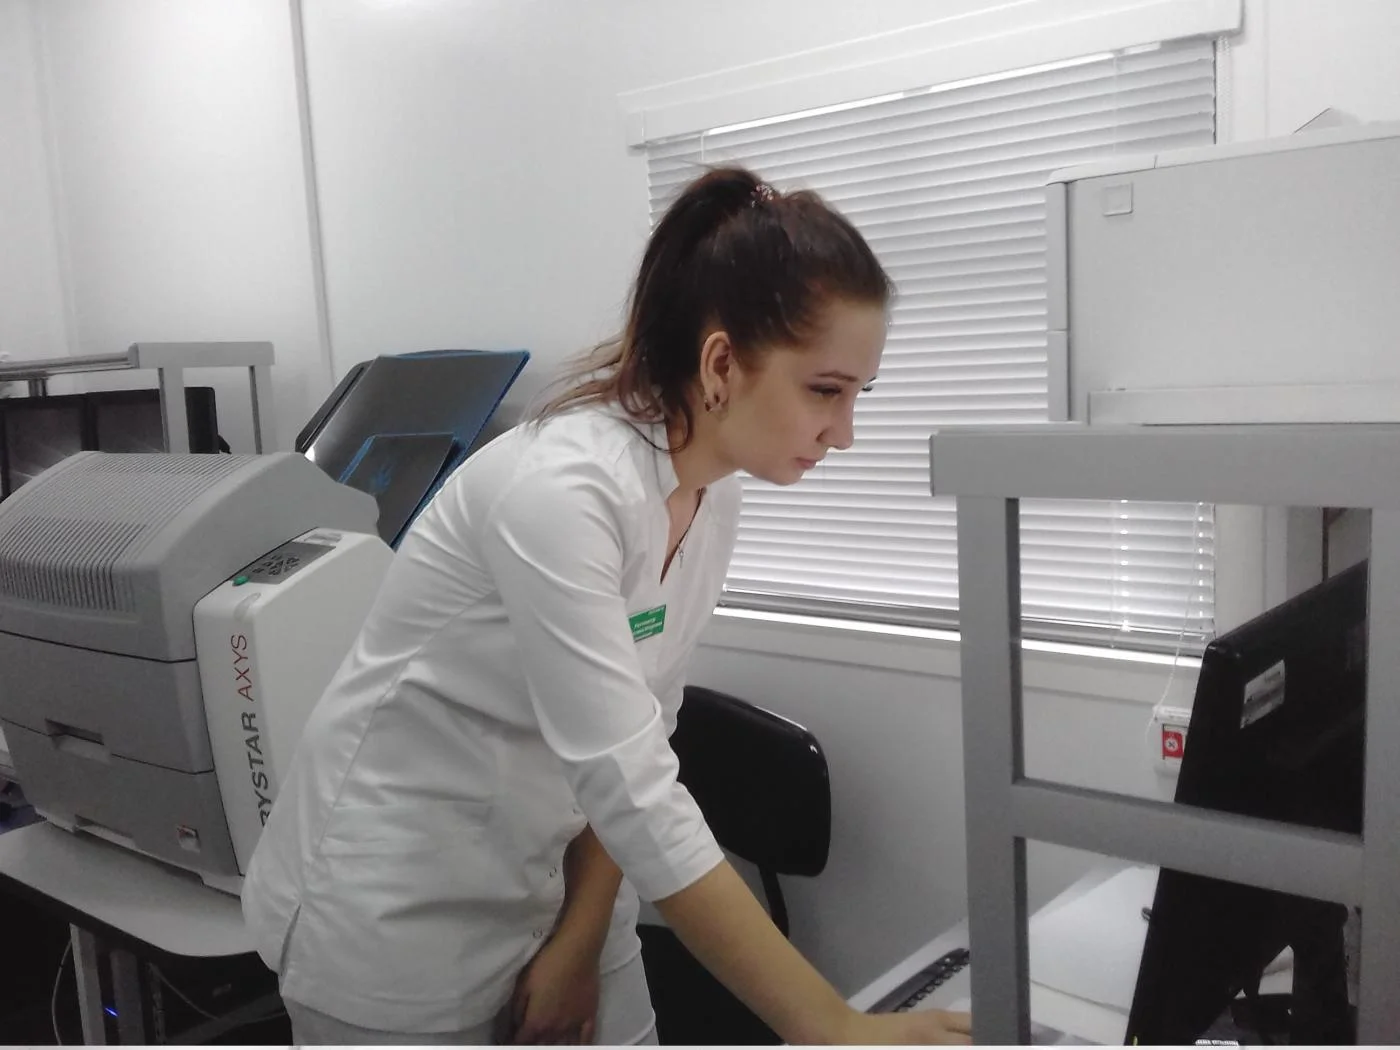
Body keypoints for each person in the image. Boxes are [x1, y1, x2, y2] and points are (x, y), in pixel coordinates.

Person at [242, 166, 972, 1046]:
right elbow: (634, 790)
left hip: (556, 882)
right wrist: (831, 1027)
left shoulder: (712, 495)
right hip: (395, 911)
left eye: (859, 395)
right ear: (721, 364)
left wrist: (582, 938)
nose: (845, 433)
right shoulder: (562, 491)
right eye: (826, 390)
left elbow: (640, 738)